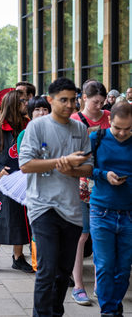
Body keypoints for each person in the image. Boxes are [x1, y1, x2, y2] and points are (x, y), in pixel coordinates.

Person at [19, 77, 93, 317]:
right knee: (47, 269)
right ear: (50, 100)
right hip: (43, 207)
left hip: (71, 209)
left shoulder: (80, 129)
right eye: (64, 100)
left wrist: (71, 169)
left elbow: (89, 167)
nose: (70, 105)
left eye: (73, 100)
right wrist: (61, 162)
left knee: (63, 272)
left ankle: (55, 313)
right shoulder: (36, 127)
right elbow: (26, 165)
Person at [0, 89, 33, 275]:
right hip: (2, 183)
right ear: (13, 105)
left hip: (24, 181)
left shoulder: (29, 127)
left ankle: (18, 258)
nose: (26, 104)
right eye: (22, 101)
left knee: (21, 217)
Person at [68, 80, 110, 305]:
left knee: (100, 235)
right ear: (84, 97)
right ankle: (78, 285)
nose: (99, 106)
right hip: (79, 182)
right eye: (95, 102)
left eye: (102, 103)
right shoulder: (74, 120)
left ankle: (100, 285)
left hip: (104, 182)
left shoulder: (109, 117)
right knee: (81, 235)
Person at [89, 101, 132, 317]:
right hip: (101, 210)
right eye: (117, 128)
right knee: (105, 265)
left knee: (123, 269)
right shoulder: (96, 138)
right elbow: (85, 168)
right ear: (109, 122)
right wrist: (103, 175)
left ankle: (114, 306)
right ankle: (108, 311)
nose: (123, 133)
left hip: (129, 213)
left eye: (128, 129)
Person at [16, 96, 51, 272]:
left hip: (57, 186)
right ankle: (41, 267)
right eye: (37, 109)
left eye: (44, 109)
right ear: (30, 113)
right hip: (35, 187)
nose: (41, 112)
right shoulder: (24, 134)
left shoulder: (57, 131)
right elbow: (25, 164)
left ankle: (59, 269)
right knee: (39, 227)